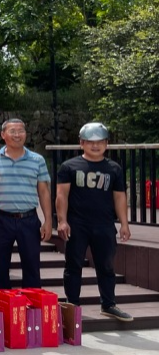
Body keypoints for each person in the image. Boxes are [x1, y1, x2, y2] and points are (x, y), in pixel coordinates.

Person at [57, 123, 133, 321]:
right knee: (73, 265)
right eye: (90, 142)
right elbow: (61, 195)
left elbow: (119, 197)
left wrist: (124, 224)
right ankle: (72, 305)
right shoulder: (69, 166)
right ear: (81, 143)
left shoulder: (114, 168)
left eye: (100, 142)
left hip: (104, 224)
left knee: (106, 266)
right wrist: (62, 221)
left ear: (107, 144)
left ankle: (108, 305)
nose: (95, 146)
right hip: (77, 224)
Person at [0, 119, 52, 289]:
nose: (17, 135)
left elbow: (44, 191)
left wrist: (48, 221)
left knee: (32, 266)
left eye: (20, 131)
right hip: (0, 219)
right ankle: (2, 303)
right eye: (12, 131)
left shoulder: (37, 159)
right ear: (3, 134)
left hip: (28, 219)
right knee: (0, 266)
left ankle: (33, 302)